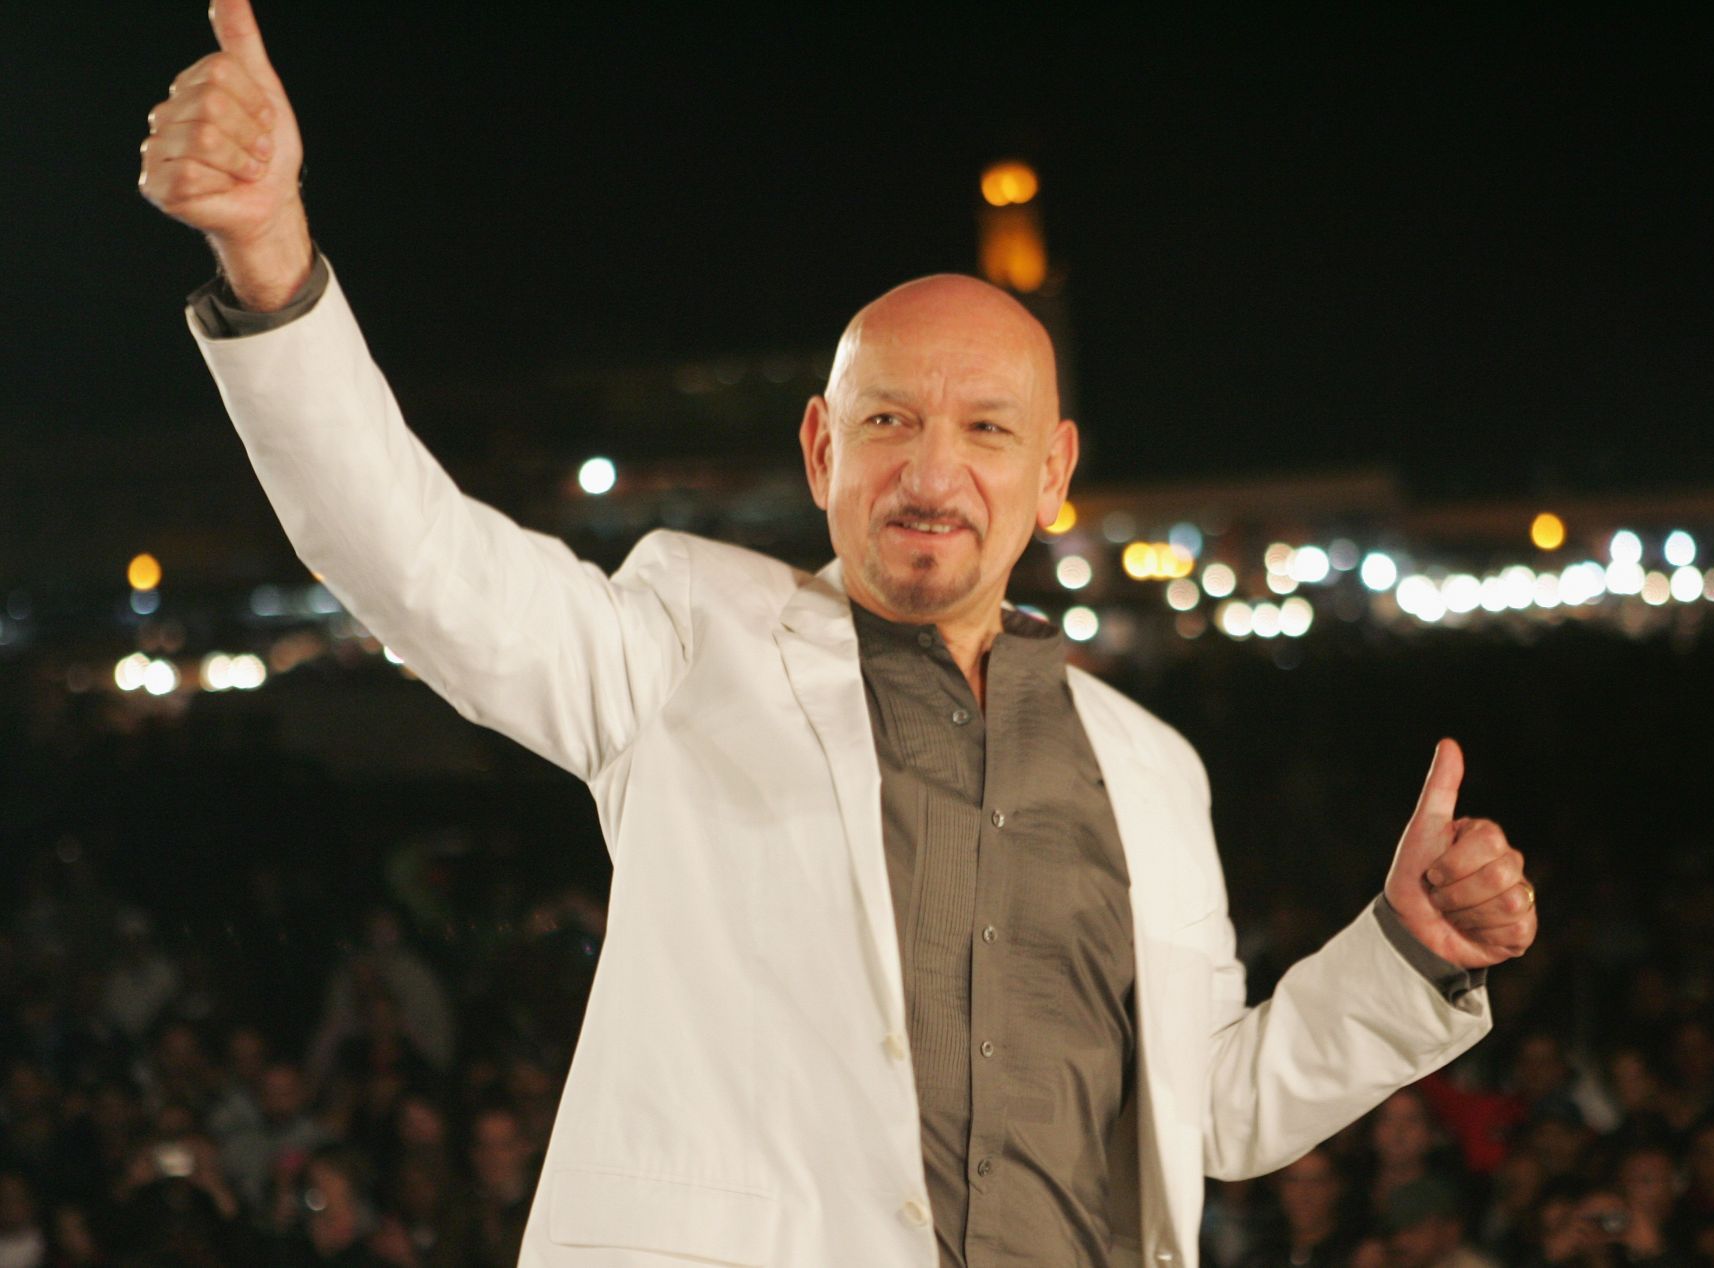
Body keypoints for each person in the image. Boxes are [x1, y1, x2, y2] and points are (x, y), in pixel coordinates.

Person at [137, 3, 1540, 1263]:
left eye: (986, 430)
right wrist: (271, 256)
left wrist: (1402, 954)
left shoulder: (1152, 770)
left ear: (1053, 473)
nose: (933, 471)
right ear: (821, 450)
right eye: (889, 422)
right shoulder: (686, 647)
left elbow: (1209, 1114)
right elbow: (416, 560)